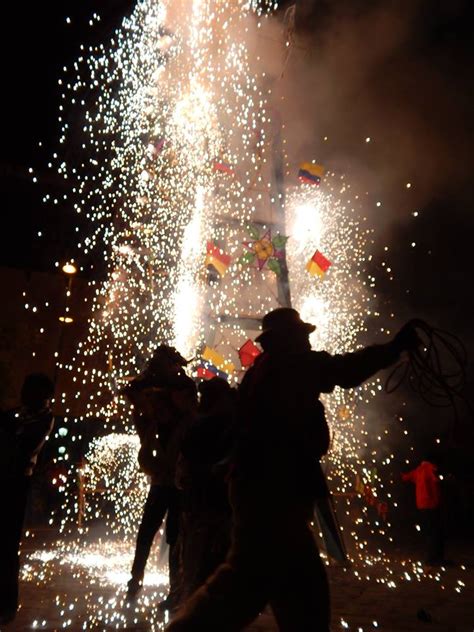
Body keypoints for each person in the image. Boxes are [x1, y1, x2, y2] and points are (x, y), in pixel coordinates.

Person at [166, 307, 420, 632]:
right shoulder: (291, 365)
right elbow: (344, 370)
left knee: (302, 591)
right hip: (273, 494)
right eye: (303, 336)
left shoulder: (263, 370)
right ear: (287, 339)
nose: (308, 342)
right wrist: (393, 348)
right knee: (241, 587)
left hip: (266, 492)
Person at [123, 345, 197, 605]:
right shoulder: (155, 408)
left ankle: (176, 589)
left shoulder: (184, 394)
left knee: (175, 534)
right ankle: (135, 580)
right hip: (161, 477)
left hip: (179, 479)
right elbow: (132, 391)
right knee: (147, 531)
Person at [0, 373, 55, 625]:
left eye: (32, 391)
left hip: (16, 482)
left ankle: (7, 605)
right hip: (5, 479)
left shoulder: (43, 418)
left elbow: (24, 446)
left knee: (8, 545)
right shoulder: (16, 414)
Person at [176, 378, 236, 602]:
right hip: (214, 505)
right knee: (212, 565)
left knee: (198, 566)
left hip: (202, 506)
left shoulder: (199, 425)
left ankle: (194, 603)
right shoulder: (221, 426)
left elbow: (184, 469)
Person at [402, 454, 445, 566]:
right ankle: (434, 558)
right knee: (436, 532)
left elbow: (406, 477)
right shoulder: (431, 468)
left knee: (429, 532)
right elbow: (436, 481)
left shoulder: (418, 470)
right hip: (432, 504)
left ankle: (432, 558)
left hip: (421, 505)